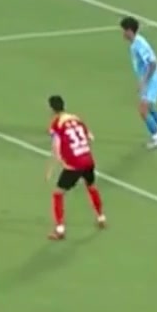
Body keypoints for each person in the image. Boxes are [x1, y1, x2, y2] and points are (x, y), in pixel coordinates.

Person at [46, 95, 106, 240]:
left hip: (74, 164)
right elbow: (91, 137)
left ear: (51, 109)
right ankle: (101, 217)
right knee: (91, 187)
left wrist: (53, 167)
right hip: (88, 160)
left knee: (58, 193)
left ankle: (60, 229)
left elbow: (56, 148)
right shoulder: (76, 119)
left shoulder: (56, 124)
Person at [120, 16, 157, 146]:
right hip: (152, 78)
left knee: (143, 110)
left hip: (152, 79)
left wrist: (144, 81)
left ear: (129, 31)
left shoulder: (139, 45)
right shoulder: (136, 43)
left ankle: (156, 138)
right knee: (150, 106)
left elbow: (152, 63)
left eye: (124, 30)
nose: (122, 33)